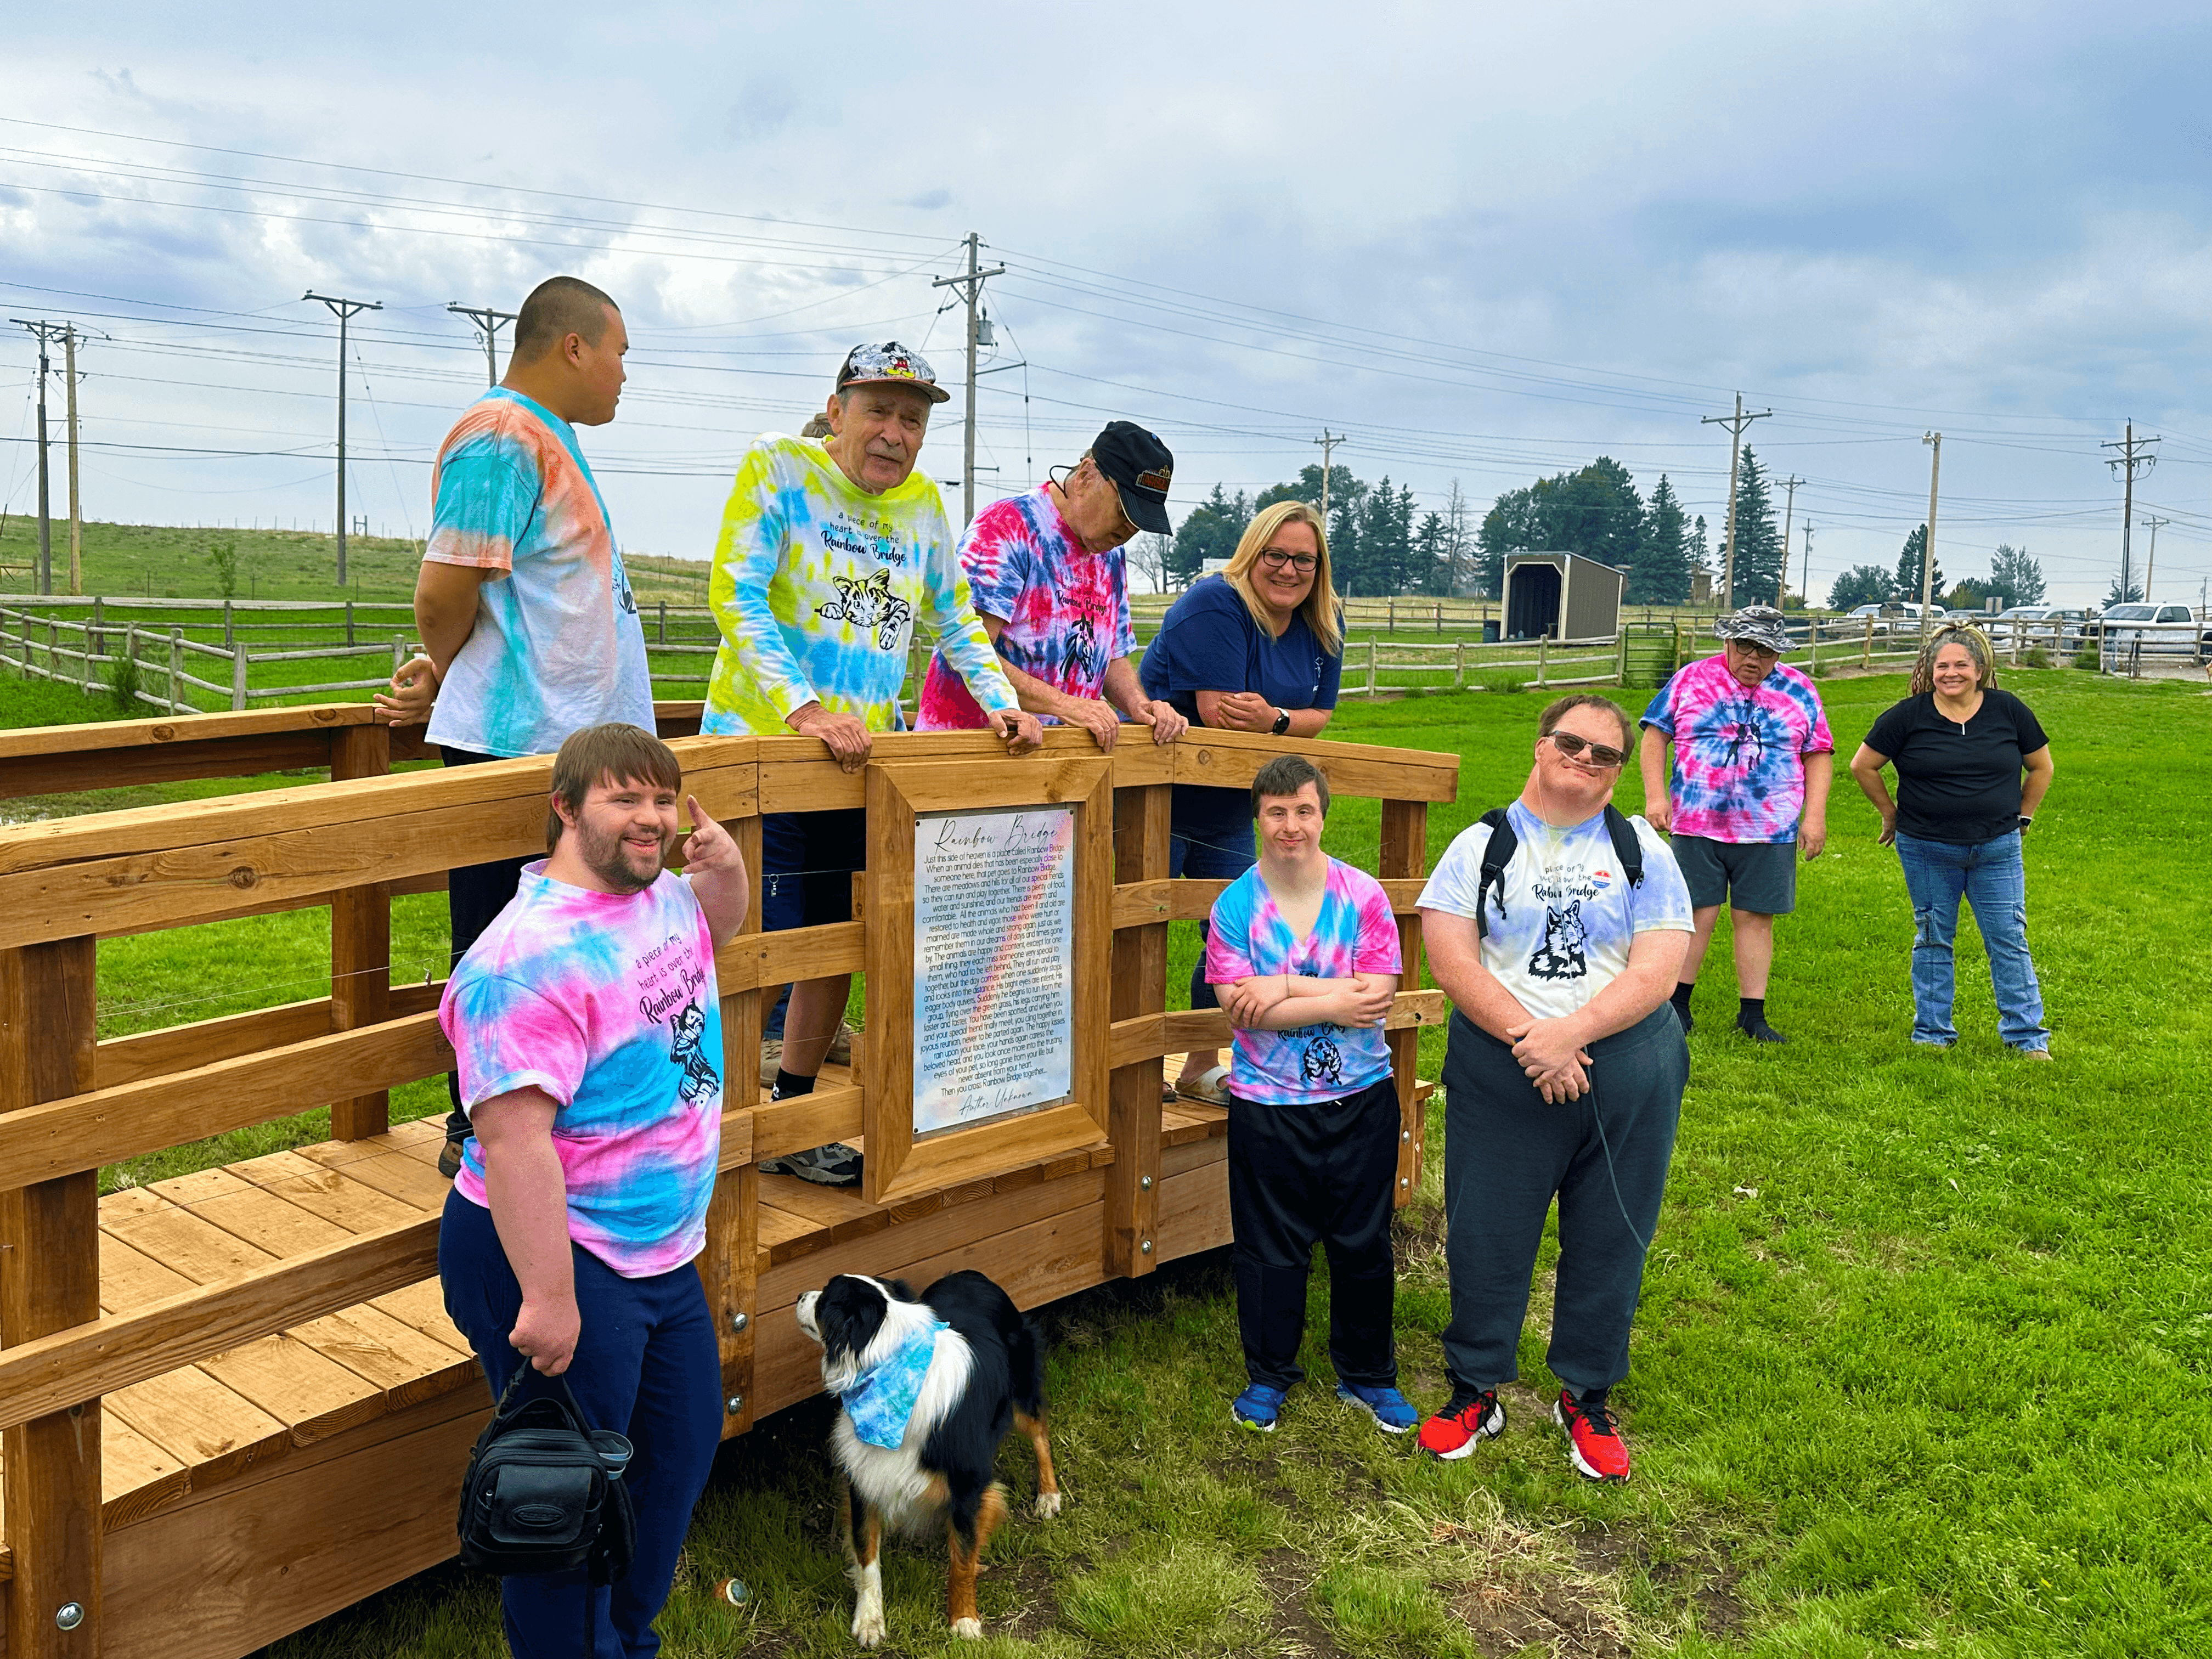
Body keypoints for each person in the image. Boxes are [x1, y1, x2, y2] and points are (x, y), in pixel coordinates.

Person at [437, 722, 748, 1658]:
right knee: (562, 1498)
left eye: (662, 797)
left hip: (655, 1246)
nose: (650, 817)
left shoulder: (656, 899)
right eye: (625, 798)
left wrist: (725, 870)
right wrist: (547, 1294)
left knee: (679, 1449)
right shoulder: (521, 962)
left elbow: (711, 937)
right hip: (558, 1249)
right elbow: (513, 1137)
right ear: (566, 808)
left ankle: (626, 1636)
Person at [703, 342, 1044, 1186]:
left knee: (837, 943)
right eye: (879, 412)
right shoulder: (779, 468)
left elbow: (954, 616)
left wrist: (1002, 701)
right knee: (739, 947)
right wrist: (804, 709)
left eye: (913, 420)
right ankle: (706, 1126)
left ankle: (793, 1113)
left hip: (855, 765)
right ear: (837, 409)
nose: (894, 433)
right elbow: (734, 591)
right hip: (760, 753)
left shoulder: (925, 506)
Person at [373, 275, 653, 1180]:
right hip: (515, 747)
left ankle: (540, 1125)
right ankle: (482, 1134)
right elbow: (443, 589)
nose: (623, 373)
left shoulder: (543, 438)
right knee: (501, 946)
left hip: (556, 743)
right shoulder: (502, 436)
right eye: (618, 351)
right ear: (573, 345)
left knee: (558, 946)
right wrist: (450, 664)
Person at [1413, 695, 1694, 1481]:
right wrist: (1533, 1039)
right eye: (1573, 743)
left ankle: (1587, 1396)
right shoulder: (1481, 845)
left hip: (1625, 1067)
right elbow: (1454, 961)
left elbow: (1658, 968)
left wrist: (1570, 1035)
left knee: (1612, 1234)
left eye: (1607, 754)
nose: (1588, 760)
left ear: (1616, 771)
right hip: (1505, 1067)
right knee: (1486, 1232)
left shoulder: (1643, 849)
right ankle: (1476, 1388)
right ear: (1542, 747)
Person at [1205, 755, 1409, 1435]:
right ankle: (1269, 1375)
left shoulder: (1364, 897)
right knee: (1270, 1248)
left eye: (1304, 810)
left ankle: (1368, 1373)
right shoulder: (1235, 906)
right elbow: (1240, 1010)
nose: (1291, 825)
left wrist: (1285, 988)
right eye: (1276, 812)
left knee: (1363, 1243)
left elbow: (1375, 999)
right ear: (1258, 816)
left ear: (1323, 813)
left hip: (1361, 1097)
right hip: (1268, 1104)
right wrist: (1330, 996)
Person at [1138, 501, 1345, 1102]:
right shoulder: (1215, 603)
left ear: (1318, 566)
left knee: (1230, 934)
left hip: (1230, 798)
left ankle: (1200, 1063)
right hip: (1156, 790)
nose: (1288, 569)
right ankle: (1128, 1060)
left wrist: (1276, 719)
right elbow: (1218, 713)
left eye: (1303, 559)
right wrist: (1277, 723)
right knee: (1139, 924)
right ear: (1251, 555)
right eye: (1274, 555)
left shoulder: (1323, 619)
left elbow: (1319, 716)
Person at [914, 422, 1188, 751]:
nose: (1129, 529)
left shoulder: (1110, 553)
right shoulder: (1008, 527)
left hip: (1057, 766)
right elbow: (965, 648)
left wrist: (1139, 706)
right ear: (1087, 476)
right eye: (1124, 511)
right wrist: (1065, 704)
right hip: (973, 752)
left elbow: (1110, 655)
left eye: (1140, 523)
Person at [1848, 625, 2053, 1057]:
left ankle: (2027, 1037)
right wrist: (1890, 813)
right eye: (1942, 666)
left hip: (1997, 849)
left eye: (1961, 664)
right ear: (1929, 670)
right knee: (1933, 937)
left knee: (2008, 939)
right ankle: (1933, 1033)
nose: (1951, 673)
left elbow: (2041, 768)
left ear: (1979, 670)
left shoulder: (2008, 710)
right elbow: (1863, 766)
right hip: (1926, 849)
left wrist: (2025, 815)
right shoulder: (1907, 716)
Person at [1636, 604, 1832, 1043]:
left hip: (1770, 827)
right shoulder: (1691, 679)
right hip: (1696, 822)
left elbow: (1818, 753)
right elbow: (1655, 735)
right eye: (1745, 647)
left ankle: (1753, 1016)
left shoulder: (1800, 690)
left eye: (1766, 651)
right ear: (1727, 642)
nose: (1754, 660)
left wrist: (1813, 817)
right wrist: (1656, 796)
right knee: (1695, 915)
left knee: (1756, 918)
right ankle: (1677, 1007)